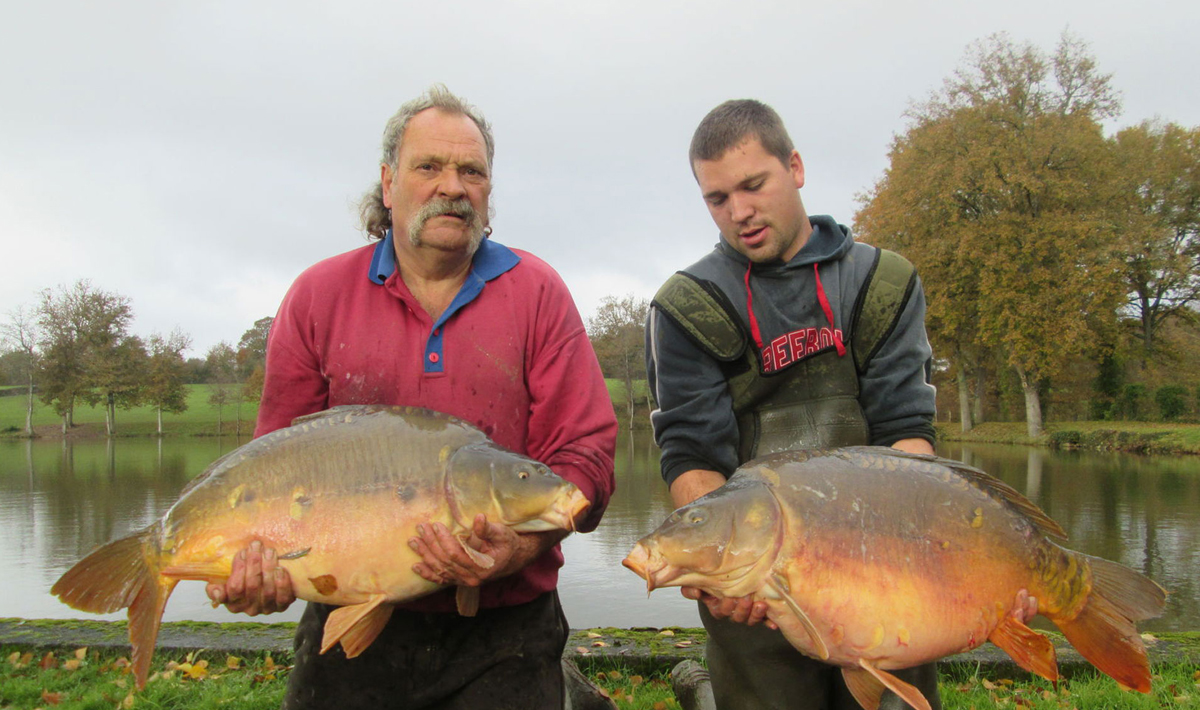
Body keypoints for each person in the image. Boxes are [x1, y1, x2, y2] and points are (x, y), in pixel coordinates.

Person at [205, 85, 618, 710]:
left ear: (488, 191)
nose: (452, 185)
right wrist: (262, 574)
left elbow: (586, 455)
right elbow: (275, 463)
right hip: (350, 621)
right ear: (388, 182)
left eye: (471, 171)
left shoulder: (537, 292)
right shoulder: (317, 296)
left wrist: (519, 549)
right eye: (429, 166)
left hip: (508, 626)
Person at [645, 99, 1034, 709]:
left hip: (886, 565)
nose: (739, 212)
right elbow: (691, 455)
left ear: (794, 167)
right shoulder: (686, 304)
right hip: (759, 580)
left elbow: (908, 435)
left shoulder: (883, 281)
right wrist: (724, 568)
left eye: (754, 185)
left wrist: (966, 572)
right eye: (717, 199)